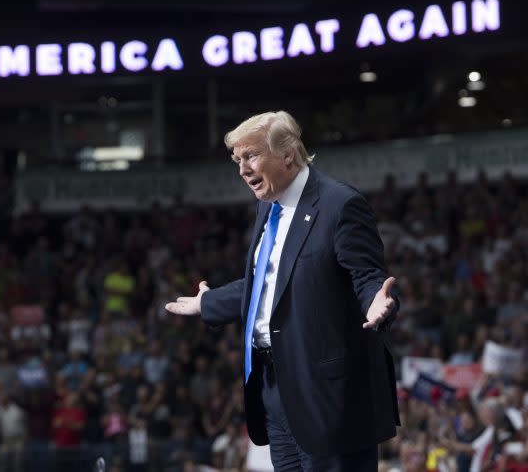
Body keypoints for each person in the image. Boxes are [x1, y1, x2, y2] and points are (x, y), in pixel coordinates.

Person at [165, 111, 399, 471]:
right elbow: (270, 282)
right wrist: (209, 302)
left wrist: (377, 302)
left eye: (251, 156)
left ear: (287, 154)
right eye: (237, 160)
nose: (242, 170)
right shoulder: (267, 207)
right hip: (274, 389)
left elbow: (367, 277)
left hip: (328, 396)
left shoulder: (339, 205)